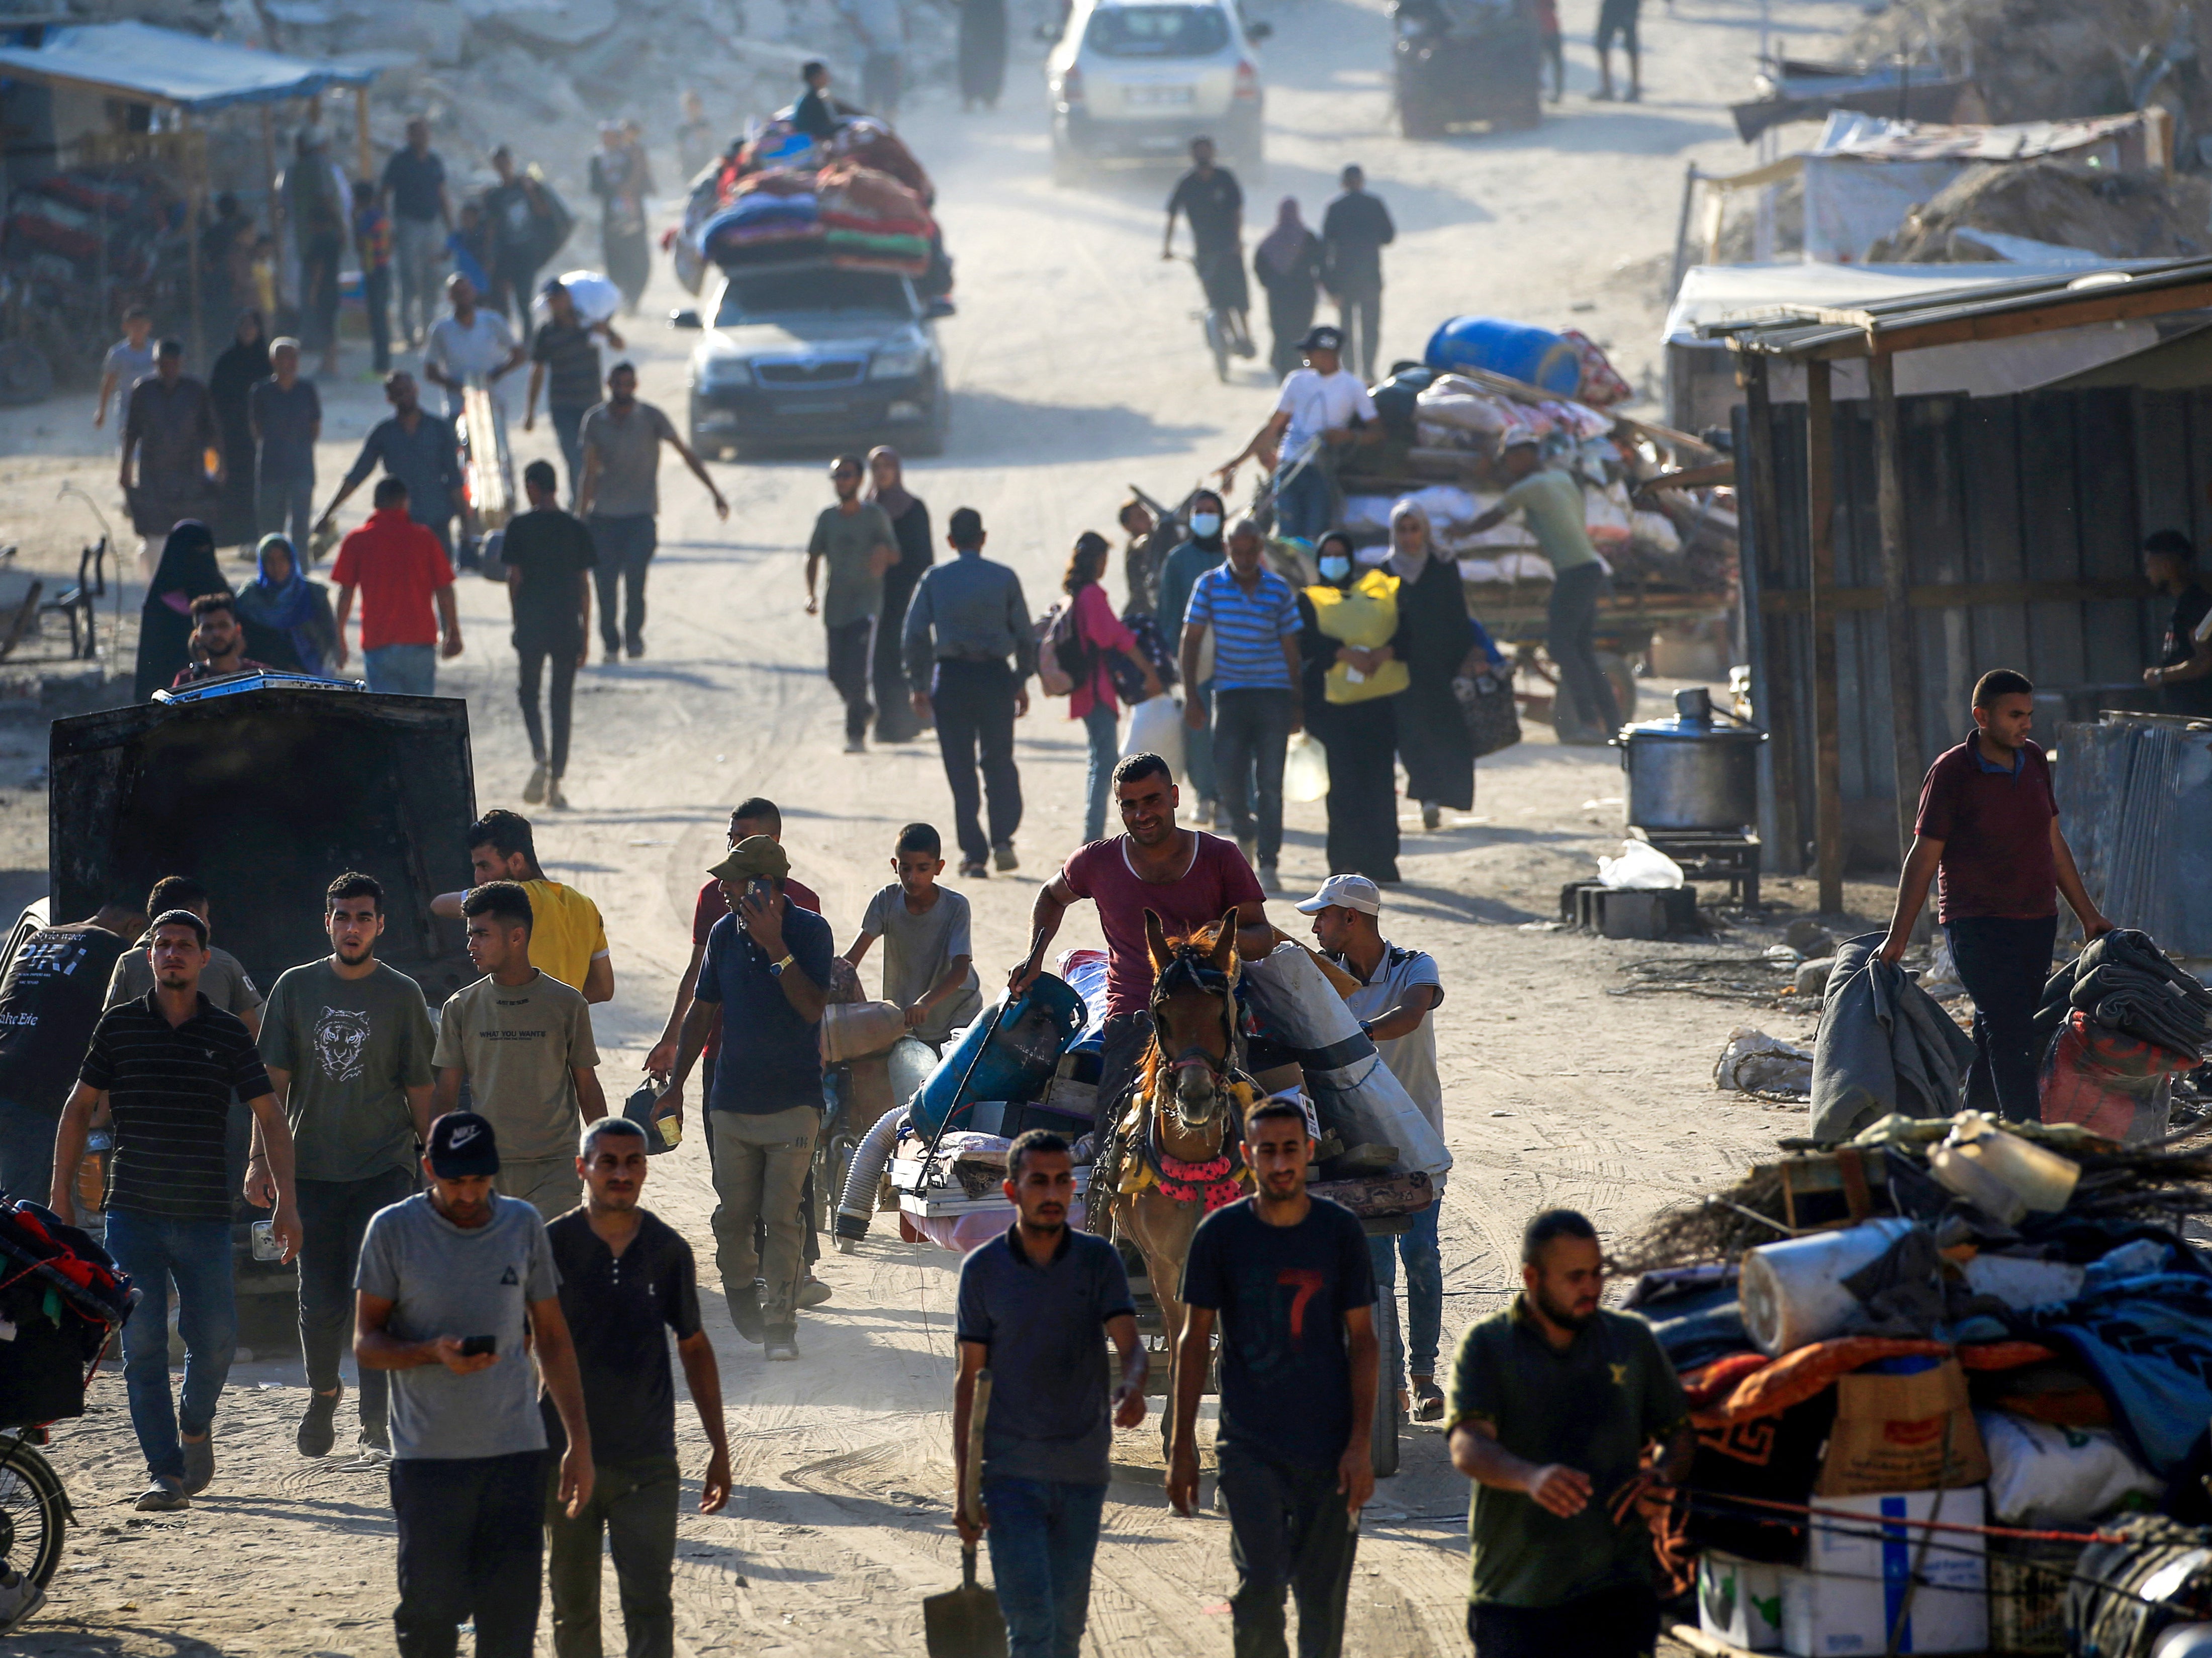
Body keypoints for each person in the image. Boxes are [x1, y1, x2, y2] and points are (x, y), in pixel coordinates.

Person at [49, 907, 301, 1512]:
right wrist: (60, 1192)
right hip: (132, 1211)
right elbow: (79, 1106)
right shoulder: (118, 1028)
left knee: (214, 1340)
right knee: (140, 1348)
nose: (171, 954)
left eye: (183, 945)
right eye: (161, 945)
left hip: (204, 1214)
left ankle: (194, 1424)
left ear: (204, 959)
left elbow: (270, 1114)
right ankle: (165, 1471)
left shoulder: (227, 1033)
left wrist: (286, 1201)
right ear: (148, 957)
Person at [354, 1110, 593, 1658]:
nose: (469, 1194)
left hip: (515, 1457)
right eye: (454, 1180)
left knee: (509, 1627)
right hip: (427, 1460)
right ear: (428, 1168)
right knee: (429, 1620)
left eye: (480, 1180)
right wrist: (428, 1353)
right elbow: (367, 1342)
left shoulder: (522, 1224)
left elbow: (553, 1339)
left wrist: (579, 1443)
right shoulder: (392, 1230)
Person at [1168, 1095, 1378, 1658]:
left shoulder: (1339, 1233)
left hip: (1329, 1447)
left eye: (1290, 1150)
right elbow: (1193, 1342)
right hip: (1249, 1445)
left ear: (1308, 1153)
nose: (1280, 1163)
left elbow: (1363, 1342)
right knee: (1259, 1588)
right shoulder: (1220, 1235)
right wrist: (1180, 1447)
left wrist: (1360, 1445)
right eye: (1267, 1152)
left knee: (1321, 1605)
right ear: (1247, 1157)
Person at [1448, 1210, 1690, 1657]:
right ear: (1532, 1278)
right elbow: (1468, 1445)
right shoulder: (1488, 1345)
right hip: (1517, 1599)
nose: (1592, 1289)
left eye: (1597, 1274)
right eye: (1575, 1277)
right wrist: (1530, 1478)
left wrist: (1662, 1480)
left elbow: (1679, 1433)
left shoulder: (1630, 1341)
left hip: (1617, 1597)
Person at [256, 872, 437, 1463]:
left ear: (380, 925)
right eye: (342, 916)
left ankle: (375, 1419)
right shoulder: (294, 988)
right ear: (327, 922)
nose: (352, 927)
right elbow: (271, 1091)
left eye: (363, 917)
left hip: (384, 1165)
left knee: (379, 1295)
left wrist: (432, 1159)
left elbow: (419, 1085)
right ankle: (324, 1393)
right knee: (320, 1299)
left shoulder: (402, 993)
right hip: (311, 1168)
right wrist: (260, 1160)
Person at [1879, 669, 2113, 1122]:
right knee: (2013, 1034)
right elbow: (1923, 858)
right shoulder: (1952, 772)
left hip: (2036, 920)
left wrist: (2089, 916)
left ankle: (1970, 1131)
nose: (2026, 724)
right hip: (1977, 923)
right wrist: (1898, 937)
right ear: (1982, 716)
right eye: (2014, 715)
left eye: (2029, 714)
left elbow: (2053, 843)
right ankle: (2028, 1136)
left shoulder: (2033, 761)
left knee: (1998, 1031)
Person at [953, 1129, 1147, 1658]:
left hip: (1082, 1472)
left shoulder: (1098, 1261)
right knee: (1032, 1627)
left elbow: (1130, 1344)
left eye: (1062, 1181)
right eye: (1039, 1182)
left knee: (1066, 1629)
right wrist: (964, 1489)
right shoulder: (982, 1272)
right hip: (1009, 1476)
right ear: (1012, 1191)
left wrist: (1133, 1381)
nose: (1053, 1193)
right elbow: (969, 1381)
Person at [545, 1117, 731, 1658]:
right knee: (572, 1607)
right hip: (563, 1457)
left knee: (650, 1605)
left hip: (647, 1460)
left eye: (632, 1162)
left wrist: (719, 1448)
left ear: (645, 1169)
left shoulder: (667, 1251)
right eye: (608, 1162)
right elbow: (526, 1347)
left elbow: (693, 1347)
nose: (620, 1174)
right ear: (583, 1168)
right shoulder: (551, 1247)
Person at [1009, 753, 1271, 1125]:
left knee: (1236, 1129)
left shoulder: (1220, 856)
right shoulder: (1097, 861)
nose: (1142, 815)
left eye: (1153, 800)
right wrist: (1034, 957)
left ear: (1175, 797)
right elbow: (1052, 896)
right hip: (1133, 1014)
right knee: (1115, 1133)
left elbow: (1262, 937)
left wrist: (1220, 941)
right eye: (1129, 805)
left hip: (1209, 1014)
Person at [660, 836, 834, 1359]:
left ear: (765, 885)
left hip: (794, 1104)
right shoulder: (722, 933)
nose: (722, 888)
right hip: (731, 1101)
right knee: (733, 1216)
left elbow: (810, 1008)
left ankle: (780, 1326)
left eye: (732, 880)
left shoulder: (810, 932)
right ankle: (739, 1286)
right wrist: (675, 1085)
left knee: (781, 1216)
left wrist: (777, 948)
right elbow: (702, 1011)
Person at [1302, 875, 1442, 1412]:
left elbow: (1409, 1014)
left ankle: (1425, 1372)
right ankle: (1394, 1383)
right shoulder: (1320, 977)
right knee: (1378, 1266)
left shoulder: (1414, 966)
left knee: (1422, 1255)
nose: (1316, 927)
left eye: (1323, 917)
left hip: (1417, 1137)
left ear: (1351, 919)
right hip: (1355, 1143)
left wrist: (1352, 1036)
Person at [433, 883, 607, 1220]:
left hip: (555, 1169)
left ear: (516, 937)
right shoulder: (461, 1007)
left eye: (482, 935)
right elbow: (447, 1094)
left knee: (546, 1265)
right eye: (470, 935)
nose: (471, 946)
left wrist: (607, 1154)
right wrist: (439, 1159)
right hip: (485, 1171)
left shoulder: (567, 1003)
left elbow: (587, 1085)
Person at [646, 797, 824, 1094]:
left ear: (773, 842)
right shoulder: (714, 895)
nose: (733, 846)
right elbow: (697, 974)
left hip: (786, 1058)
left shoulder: (804, 905)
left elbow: (812, 990)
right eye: (731, 837)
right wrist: (671, 1038)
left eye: (743, 838)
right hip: (720, 1050)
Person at [904, 506, 1035, 877]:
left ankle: (974, 855)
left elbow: (914, 634)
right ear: (983, 537)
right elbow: (1026, 635)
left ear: (950, 541)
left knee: (960, 768)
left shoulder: (935, 578)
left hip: (952, 679)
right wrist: (1021, 679)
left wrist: (918, 685)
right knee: (999, 761)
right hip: (995, 677)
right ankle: (1003, 840)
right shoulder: (1004, 577)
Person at [1179, 517, 1304, 888]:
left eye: (1252, 551)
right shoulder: (1210, 585)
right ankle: (1244, 832)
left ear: (1260, 550)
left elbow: (1291, 648)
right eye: (1238, 551)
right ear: (1227, 549)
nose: (1245, 558)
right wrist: (1191, 696)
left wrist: (1298, 702)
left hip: (1273, 695)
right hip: (1230, 694)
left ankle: (1268, 863)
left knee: (1270, 782)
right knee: (1228, 777)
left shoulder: (1278, 590)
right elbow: (1192, 638)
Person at [1464, 436, 1614, 743]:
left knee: (1561, 647)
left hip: (1573, 573)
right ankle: (1611, 722)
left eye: (1509, 459)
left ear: (1524, 456)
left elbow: (1491, 518)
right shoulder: (1561, 478)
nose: (1507, 466)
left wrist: (1458, 532)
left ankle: (1587, 722)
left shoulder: (1527, 489)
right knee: (1583, 651)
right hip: (1590, 569)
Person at [580, 360, 728, 662]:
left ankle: (633, 638)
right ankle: (611, 642)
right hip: (605, 517)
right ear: (609, 384)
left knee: (636, 580)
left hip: (640, 516)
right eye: (617, 384)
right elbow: (590, 472)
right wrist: (581, 517)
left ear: (635, 386)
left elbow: (686, 454)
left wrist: (714, 492)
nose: (622, 390)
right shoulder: (595, 421)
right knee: (605, 585)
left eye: (628, 384)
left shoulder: (651, 417)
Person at [0, 898, 143, 1204]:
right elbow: (115, 1030)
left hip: (6, 1072)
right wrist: (101, 1112)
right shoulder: (115, 948)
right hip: (33, 1096)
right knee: (25, 1215)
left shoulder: (41, 935)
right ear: (135, 927)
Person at [1300, 531, 1404, 880]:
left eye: (1340, 553)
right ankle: (1343, 861)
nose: (1334, 560)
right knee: (1343, 788)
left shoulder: (1371, 599)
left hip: (1376, 706)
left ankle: (1382, 861)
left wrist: (1381, 653)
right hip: (1333, 711)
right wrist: (1344, 653)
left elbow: (1404, 634)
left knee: (1379, 783)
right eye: (1327, 554)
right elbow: (1306, 643)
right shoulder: (1310, 600)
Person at [1386, 500, 1495, 828]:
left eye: (1414, 529)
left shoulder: (1443, 566)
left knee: (1446, 733)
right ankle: (1427, 798)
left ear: (1425, 530)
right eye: (1402, 530)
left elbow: (1458, 616)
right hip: (1404, 669)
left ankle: (1446, 795)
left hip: (1443, 664)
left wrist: (1467, 656)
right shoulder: (1385, 573)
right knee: (1412, 736)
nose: (1409, 537)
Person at [1219, 326, 1378, 544]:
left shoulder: (1353, 387)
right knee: (1287, 536)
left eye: (1309, 351)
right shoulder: (1296, 381)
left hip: (1322, 472)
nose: (1305, 356)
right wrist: (1235, 464)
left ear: (1327, 354)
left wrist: (1347, 436)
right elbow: (1271, 428)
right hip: (1288, 468)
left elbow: (1377, 432)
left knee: (1314, 535)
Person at [433, 809, 614, 1002]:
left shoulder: (514, 897)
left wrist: (528, 1004)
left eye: (485, 866)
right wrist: (560, 1003)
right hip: (567, 1029)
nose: (478, 877)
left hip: (520, 1028)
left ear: (516, 861)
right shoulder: (586, 906)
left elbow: (439, 905)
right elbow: (603, 989)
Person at [502, 461, 596, 806]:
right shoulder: (575, 528)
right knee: (561, 702)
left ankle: (540, 753)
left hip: (531, 624)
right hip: (566, 625)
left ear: (532, 487)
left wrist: (517, 618)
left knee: (529, 692)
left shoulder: (520, 527)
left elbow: (515, 578)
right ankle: (555, 783)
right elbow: (584, 586)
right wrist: (586, 634)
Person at [843, 822, 981, 1049]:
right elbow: (852, 960)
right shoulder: (886, 900)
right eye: (905, 868)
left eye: (923, 869)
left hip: (958, 1015)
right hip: (910, 1018)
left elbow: (960, 971)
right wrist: (829, 977)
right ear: (894, 865)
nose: (912, 878)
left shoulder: (955, 907)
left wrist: (925, 1004)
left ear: (939, 867)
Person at [1064, 532, 1163, 844]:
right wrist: (1148, 669)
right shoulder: (1092, 595)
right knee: (1104, 762)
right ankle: (1091, 837)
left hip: (1086, 690)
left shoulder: (1076, 593)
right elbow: (1115, 637)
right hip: (1095, 690)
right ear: (1097, 560)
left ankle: (1091, 833)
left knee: (1101, 758)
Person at [330, 477, 464, 694]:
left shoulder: (357, 541)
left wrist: (340, 636)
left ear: (376, 504)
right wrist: (454, 631)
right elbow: (444, 589)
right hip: (420, 642)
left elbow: (346, 593)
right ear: (404, 501)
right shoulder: (424, 538)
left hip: (378, 642)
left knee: (389, 720)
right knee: (420, 717)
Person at [319, 371, 470, 562]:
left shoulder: (439, 429)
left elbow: (455, 478)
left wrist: (466, 522)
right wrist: (328, 513)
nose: (404, 396)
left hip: (436, 520)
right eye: (398, 392)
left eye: (407, 390)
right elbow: (357, 476)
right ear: (390, 399)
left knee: (440, 582)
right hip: (398, 523)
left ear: (416, 390)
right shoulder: (383, 434)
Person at [808, 453, 900, 753]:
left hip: (867, 604)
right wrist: (811, 595)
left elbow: (896, 554)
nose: (842, 481)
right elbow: (813, 556)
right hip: (836, 606)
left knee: (858, 670)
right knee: (836, 672)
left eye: (847, 475)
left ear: (860, 480)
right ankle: (864, 709)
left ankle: (855, 734)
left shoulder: (874, 516)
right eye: (837, 476)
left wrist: (882, 553)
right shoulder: (827, 518)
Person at [106, 875, 266, 1033]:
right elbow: (253, 1035)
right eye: (206, 915)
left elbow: (111, 1028)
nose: (209, 925)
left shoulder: (127, 963)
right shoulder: (227, 964)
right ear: (193, 913)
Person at [1157, 492, 1228, 825]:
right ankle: (1205, 793)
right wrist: (1174, 657)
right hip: (1194, 660)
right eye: (1199, 512)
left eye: (1211, 511)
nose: (1205, 517)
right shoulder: (1178, 559)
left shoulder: (1236, 555)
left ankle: (1231, 797)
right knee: (1198, 728)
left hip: (1234, 658)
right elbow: (1169, 613)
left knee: (1230, 730)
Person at [121, 339, 221, 570]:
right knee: (155, 532)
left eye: (174, 363)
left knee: (191, 530)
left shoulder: (196, 390)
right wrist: (125, 467)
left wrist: (216, 466)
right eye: (163, 364)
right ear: (155, 363)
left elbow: (211, 433)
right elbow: (132, 431)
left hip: (190, 471)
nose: (169, 369)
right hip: (153, 473)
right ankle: (158, 584)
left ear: (182, 363)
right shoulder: (143, 391)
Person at [524, 279, 624, 507]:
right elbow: (537, 370)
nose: (557, 304)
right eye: (552, 301)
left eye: (559, 298)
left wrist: (606, 332)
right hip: (563, 405)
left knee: (595, 455)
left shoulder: (590, 322)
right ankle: (579, 503)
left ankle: (597, 501)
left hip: (592, 405)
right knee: (574, 455)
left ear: (568, 298)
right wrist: (530, 411)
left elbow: (619, 345)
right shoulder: (546, 333)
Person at [1163, 137, 1254, 357]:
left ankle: (1247, 337)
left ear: (1213, 153)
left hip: (1230, 249)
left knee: (1239, 299)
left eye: (1206, 151)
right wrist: (1166, 247)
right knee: (1217, 299)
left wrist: (1237, 241)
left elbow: (1237, 212)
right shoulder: (1187, 183)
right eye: (1199, 152)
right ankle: (1231, 339)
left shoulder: (1225, 179)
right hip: (1204, 251)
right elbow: (1172, 214)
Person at [867, 446, 934, 744]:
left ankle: (916, 716)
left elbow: (924, 558)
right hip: (874, 597)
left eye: (887, 466)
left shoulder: (914, 509)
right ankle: (889, 721)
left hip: (907, 595)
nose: (882, 473)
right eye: (876, 467)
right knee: (881, 659)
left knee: (909, 655)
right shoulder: (865, 510)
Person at [133, 522, 227, 700]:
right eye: (193, 553)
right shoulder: (160, 605)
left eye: (204, 550)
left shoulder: (220, 596)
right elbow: (150, 666)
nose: (199, 560)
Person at [1319, 167, 1395, 385]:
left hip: (1344, 279)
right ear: (1362, 182)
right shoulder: (1375, 204)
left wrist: (1330, 286)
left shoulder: (1335, 207)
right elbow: (1389, 236)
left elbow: (1326, 248)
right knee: (1370, 326)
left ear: (1343, 183)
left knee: (1347, 327)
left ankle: (1350, 371)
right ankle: (1369, 371)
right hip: (1370, 276)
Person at [382, 118, 453, 347]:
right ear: (410, 136)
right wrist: (387, 227)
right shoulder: (400, 161)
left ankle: (429, 330)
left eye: (425, 133)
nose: (422, 137)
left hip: (432, 225)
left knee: (431, 277)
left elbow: (442, 194)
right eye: (417, 133)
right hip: (408, 224)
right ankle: (408, 331)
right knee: (409, 277)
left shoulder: (434, 161)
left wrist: (451, 228)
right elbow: (384, 192)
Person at [248, 335, 322, 557]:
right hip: (271, 470)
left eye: (293, 357)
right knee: (271, 534)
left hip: (302, 469)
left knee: (301, 530)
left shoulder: (307, 390)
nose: (288, 363)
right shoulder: (261, 391)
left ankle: (301, 578)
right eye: (283, 358)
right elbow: (257, 430)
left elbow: (315, 428)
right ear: (273, 361)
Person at [423, 272, 526, 425]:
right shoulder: (441, 329)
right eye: (457, 293)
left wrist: (496, 374)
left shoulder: (492, 321)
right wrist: (458, 387)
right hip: (458, 406)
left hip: (493, 400)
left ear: (473, 293)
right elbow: (430, 371)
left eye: (465, 292)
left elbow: (520, 355)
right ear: (450, 297)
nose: (462, 297)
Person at [286, 128, 349, 376]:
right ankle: (328, 362)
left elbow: (319, 269)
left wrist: (312, 292)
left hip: (323, 289)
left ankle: (329, 364)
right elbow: (326, 197)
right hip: (328, 288)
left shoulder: (300, 169)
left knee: (325, 321)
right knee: (327, 322)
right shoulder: (316, 167)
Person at [207, 309, 270, 548]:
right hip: (228, 435)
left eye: (251, 326)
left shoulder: (267, 362)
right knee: (225, 482)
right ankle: (225, 536)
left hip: (258, 437)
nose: (247, 331)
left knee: (255, 484)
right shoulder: (226, 361)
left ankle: (252, 536)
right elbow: (212, 400)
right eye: (243, 326)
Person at [234, 533, 339, 675]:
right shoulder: (250, 597)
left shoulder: (313, 594)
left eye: (282, 559)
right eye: (270, 561)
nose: (277, 566)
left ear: (292, 561)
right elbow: (244, 641)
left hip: (310, 673)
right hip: (261, 674)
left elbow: (328, 637)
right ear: (262, 564)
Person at [483, 146, 556, 340]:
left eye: (506, 162)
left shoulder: (526, 186)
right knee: (502, 300)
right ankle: (506, 340)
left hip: (528, 252)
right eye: (499, 164)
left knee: (524, 299)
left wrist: (531, 192)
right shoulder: (495, 196)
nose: (503, 167)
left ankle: (528, 341)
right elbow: (491, 228)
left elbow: (544, 212)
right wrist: (490, 256)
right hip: (507, 255)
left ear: (512, 162)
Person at [2141, 528, 2212, 717]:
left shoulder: (2195, 606)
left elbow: (2205, 661)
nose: (2148, 573)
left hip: (2200, 723)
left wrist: (2161, 676)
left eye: (2149, 566)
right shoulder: (2182, 606)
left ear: (2167, 566)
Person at [1253, 199, 1324, 382]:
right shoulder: (1309, 238)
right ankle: (1300, 369)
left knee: (1282, 334)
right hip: (1304, 294)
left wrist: (1270, 284)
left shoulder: (1270, 241)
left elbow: (1259, 267)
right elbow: (1321, 264)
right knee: (1301, 332)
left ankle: (1284, 372)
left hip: (1278, 296)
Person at [590, 124, 653, 315]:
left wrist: (630, 185)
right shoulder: (598, 160)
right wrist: (614, 190)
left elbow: (646, 183)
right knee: (615, 260)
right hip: (611, 220)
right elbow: (595, 187)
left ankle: (634, 297)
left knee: (638, 258)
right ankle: (619, 298)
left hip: (634, 216)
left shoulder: (632, 157)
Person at [171, 591, 271, 687]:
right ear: (197, 638)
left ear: (237, 630)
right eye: (208, 628)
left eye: (223, 626)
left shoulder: (263, 676)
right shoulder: (186, 681)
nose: (216, 633)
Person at [94, 304, 155, 443]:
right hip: (127, 408)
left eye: (142, 326)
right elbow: (109, 382)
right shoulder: (118, 354)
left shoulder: (156, 350)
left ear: (149, 326)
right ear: (125, 327)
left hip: (153, 407)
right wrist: (101, 411)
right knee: (129, 445)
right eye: (134, 326)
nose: (138, 330)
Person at [354, 179, 396, 375]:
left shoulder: (366, 218)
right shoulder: (381, 216)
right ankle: (383, 362)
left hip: (374, 271)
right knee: (381, 317)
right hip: (385, 269)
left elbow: (360, 245)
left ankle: (381, 366)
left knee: (377, 318)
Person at [842, 0, 909, 114]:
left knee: (892, 92)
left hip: (893, 47)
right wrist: (862, 34)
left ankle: (889, 126)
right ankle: (871, 124)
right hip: (868, 51)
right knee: (871, 93)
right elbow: (848, 13)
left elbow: (903, 10)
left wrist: (905, 30)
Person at [954, 0, 1006, 110]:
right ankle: (974, 97)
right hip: (977, 15)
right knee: (972, 57)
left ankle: (988, 97)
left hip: (990, 15)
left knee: (990, 57)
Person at [1594, 0, 1641, 101]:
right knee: (1602, 45)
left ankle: (1635, 88)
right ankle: (1607, 88)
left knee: (1631, 46)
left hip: (1629, 6)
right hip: (1611, 6)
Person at [446, 201, 493, 294]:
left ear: (476, 217)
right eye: (463, 217)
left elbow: (491, 258)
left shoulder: (485, 236)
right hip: (465, 285)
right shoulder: (458, 237)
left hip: (483, 283)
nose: (465, 220)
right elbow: (446, 253)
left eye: (468, 217)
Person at [676, 89, 721, 179]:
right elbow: (680, 150)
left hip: (706, 166)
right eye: (690, 107)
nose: (693, 109)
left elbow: (716, 144)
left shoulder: (706, 125)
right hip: (689, 168)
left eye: (695, 106)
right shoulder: (683, 129)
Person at [792, 62, 842, 141]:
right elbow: (819, 129)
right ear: (815, 78)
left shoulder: (815, 97)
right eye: (824, 73)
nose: (828, 76)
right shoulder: (812, 100)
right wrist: (844, 126)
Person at [1535, 0, 1564, 102]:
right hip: (1543, 27)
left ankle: (1558, 92)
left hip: (1543, 28)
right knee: (1539, 62)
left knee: (1539, 62)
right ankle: (1557, 92)